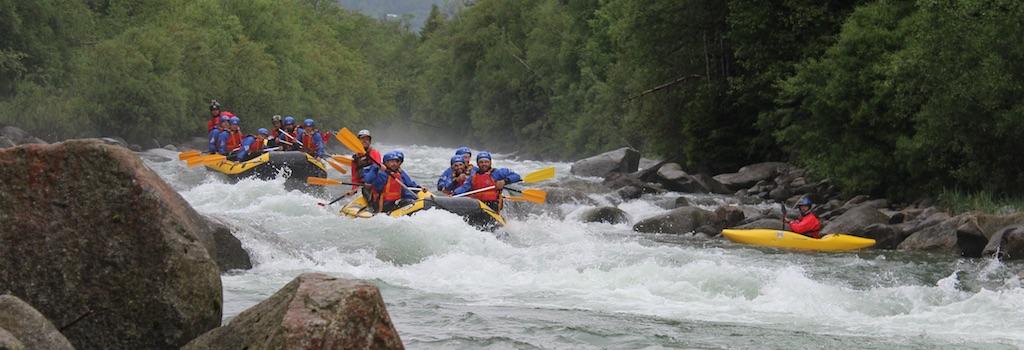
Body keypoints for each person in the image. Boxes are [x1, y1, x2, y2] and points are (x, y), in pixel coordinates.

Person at [453, 151, 521, 211]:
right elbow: (464, 188)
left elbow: (516, 176)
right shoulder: (473, 176)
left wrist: (504, 181)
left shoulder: (498, 173)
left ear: (490, 162)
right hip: (477, 205)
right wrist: (454, 193)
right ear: (477, 163)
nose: (484, 164)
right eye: (481, 162)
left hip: (493, 205)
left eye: (486, 162)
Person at [345, 129, 383, 196]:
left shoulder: (374, 153)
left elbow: (377, 169)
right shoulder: (355, 158)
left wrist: (370, 182)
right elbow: (355, 177)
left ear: (370, 141)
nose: (365, 141)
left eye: (367, 139)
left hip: (375, 185)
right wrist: (354, 189)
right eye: (362, 139)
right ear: (358, 141)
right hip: (362, 185)